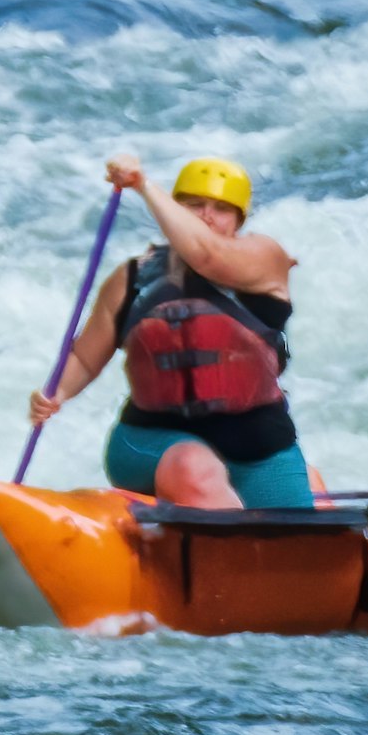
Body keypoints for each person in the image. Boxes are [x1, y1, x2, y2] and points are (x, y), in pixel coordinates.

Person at [28, 154, 325, 512]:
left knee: (301, 509)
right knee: (194, 467)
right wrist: (56, 393)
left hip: (257, 443)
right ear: (175, 210)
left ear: (239, 220)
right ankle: (227, 555)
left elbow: (208, 257)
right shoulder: (132, 280)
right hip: (151, 441)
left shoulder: (265, 257)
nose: (206, 216)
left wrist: (142, 185)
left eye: (221, 209)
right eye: (194, 205)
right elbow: (85, 359)